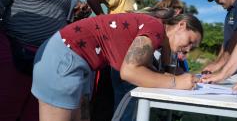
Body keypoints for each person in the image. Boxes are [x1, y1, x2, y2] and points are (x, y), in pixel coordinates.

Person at [31, 12, 203, 121]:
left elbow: (164, 66)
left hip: (72, 58)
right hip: (66, 57)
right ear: (181, 25)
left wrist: (179, 74)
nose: (187, 49)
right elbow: (130, 71)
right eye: (190, 42)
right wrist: (176, 82)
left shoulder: (158, 34)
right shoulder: (155, 27)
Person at [0, 0, 91, 121]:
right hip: (14, 45)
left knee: (37, 108)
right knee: (6, 103)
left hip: (47, 56)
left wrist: (78, 16)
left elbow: (62, 18)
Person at [86, 0, 160, 121]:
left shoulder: (135, 5)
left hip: (123, 56)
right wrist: (104, 22)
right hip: (111, 56)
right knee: (106, 100)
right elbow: (93, 0)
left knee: (119, 100)